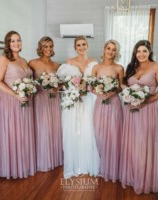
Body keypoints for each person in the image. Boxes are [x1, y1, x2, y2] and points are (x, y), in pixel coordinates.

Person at [119, 40, 158, 194]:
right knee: (132, 142)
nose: (141, 54)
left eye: (144, 51)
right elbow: (125, 86)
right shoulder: (131, 67)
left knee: (145, 141)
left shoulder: (157, 67)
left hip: (149, 109)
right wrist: (128, 96)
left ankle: (145, 179)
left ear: (149, 52)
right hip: (131, 110)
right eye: (138, 51)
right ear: (135, 53)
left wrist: (145, 101)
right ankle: (132, 176)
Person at [0, 31, 36, 179]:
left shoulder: (24, 60)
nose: (16, 43)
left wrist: (28, 91)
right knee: (12, 133)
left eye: (18, 40)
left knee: (23, 132)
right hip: (9, 100)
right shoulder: (3, 59)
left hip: (24, 100)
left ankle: (24, 164)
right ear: (7, 43)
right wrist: (16, 95)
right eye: (12, 41)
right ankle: (12, 167)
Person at [57, 36, 100, 179]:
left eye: (84, 44)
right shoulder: (69, 62)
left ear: (87, 46)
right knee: (73, 130)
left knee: (88, 129)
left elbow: (96, 83)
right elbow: (63, 83)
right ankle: (74, 163)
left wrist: (86, 86)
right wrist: (74, 86)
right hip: (73, 100)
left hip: (88, 100)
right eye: (78, 45)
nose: (81, 47)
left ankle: (87, 163)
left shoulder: (94, 63)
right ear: (75, 47)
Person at [28, 36, 63, 172]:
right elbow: (27, 80)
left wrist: (57, 87)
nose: (48, 49)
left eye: (51, 46)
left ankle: (54, 158)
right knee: (42, 127)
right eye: (45, 46)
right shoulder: (32, 63)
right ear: (40, 48)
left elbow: (61, 83)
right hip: (40, 99)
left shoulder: (57, 65)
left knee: (54, 128)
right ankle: (42, 159)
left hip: (54, 99)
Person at [92, 40, 124, 182]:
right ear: (104, 49)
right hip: (100, 103)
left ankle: (113, 166)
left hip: (114, 103)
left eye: (113, 49)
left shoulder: (119, 68)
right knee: (99, 133)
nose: (110, 51)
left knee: (113, 133)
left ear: (116, 52)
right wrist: (99, 92)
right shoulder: (96, 67)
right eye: (108, 48)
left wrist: (111, 93)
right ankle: (99, 163)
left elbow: (121, 87)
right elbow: (91, 87)